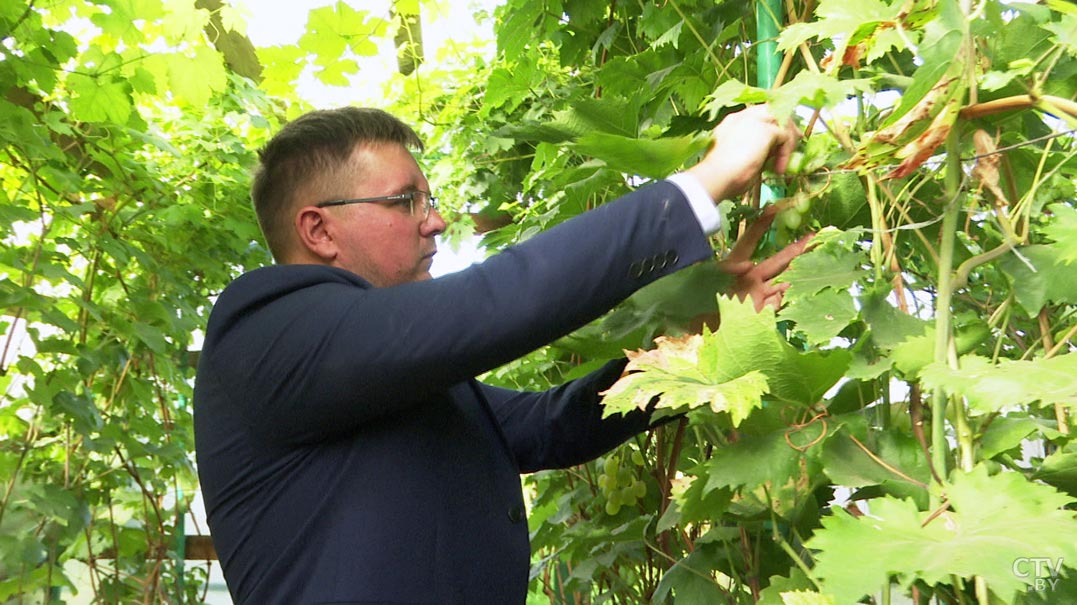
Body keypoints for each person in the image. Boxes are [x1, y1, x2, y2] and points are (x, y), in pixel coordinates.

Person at [193, 104, 807, 605]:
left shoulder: (388, 383)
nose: (434, 223)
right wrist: (706, 184)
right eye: (406, 201)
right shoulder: (264, 328)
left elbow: (547, 426)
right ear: (319, 230)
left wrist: (703, 338)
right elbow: (491, 304)